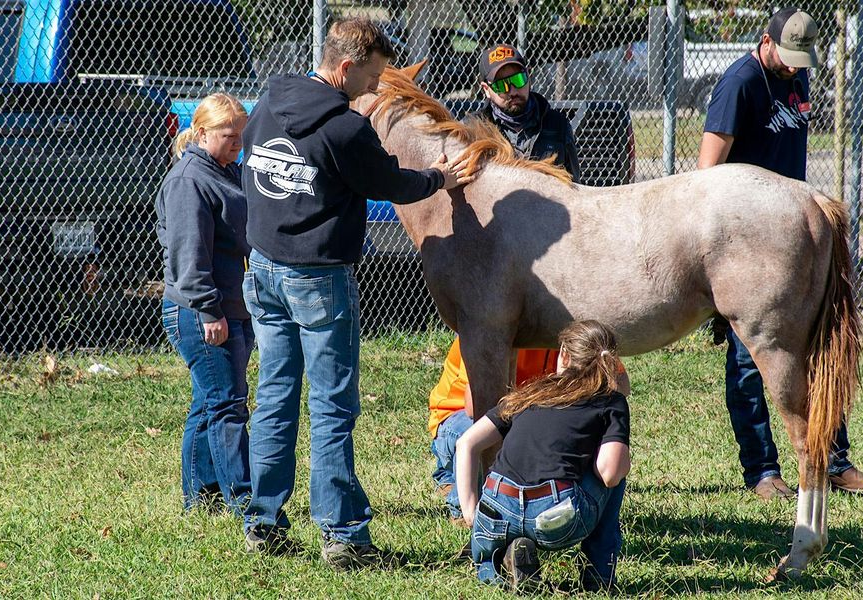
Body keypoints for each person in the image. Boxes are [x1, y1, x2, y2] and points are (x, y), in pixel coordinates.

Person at [238, 17, 473, 569]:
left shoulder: (269, 103)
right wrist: (441, 178)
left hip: (264, 270)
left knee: (274, 394)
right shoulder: (344, 129)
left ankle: (262, 521)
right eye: (370, 77)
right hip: (318, 278)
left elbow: (255, 165)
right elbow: (390, 184)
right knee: (332, 404)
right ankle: (343, 536)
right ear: (345, 68)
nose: (374, 87)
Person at [698, 7, 863, 500]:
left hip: (792, 237)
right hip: (744, 246)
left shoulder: (798, 73)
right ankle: (762, 472)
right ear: (765, 41)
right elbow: (705, 175)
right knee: (749, 361)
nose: (793, 67)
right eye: (785, 58)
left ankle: (834, 462)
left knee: (819, 347)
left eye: (800, 60)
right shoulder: (738, 84)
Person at [456, 320, 630, 593]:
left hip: (494, 514)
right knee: (617, 474)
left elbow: (466, 443)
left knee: (491, 559)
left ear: (563, 355)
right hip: (553, 518)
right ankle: (598, 575)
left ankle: (495, 563)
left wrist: (471, 512)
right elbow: (609, 474)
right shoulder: (610, 403)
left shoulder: (530, 393)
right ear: (612, 363)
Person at [155, 93, 253, 515]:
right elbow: (189, 257)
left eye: (241, 136)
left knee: (208, 402)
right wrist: (211, 312)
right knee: (228, 405)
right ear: (201, 133)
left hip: (225, 307)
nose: (238, 144)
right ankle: (243, 498)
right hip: (200, 312)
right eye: (229, 136)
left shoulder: (224, 170)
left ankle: (201, 498)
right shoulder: (189, 181)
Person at [428, 339, 560, 525]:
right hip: (456, 415)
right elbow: (474, 408)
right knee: (479, 432)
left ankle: (448, 476)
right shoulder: (484, 330)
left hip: (513, 414)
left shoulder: (556, 337)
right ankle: (461, 511)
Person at [470, 43, 581, 180]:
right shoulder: (472, 129)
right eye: (501, 85)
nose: (513, 91)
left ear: (528, 76)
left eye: (518, 79)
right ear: (486, 89)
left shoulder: (558, 125)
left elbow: (574, 185)